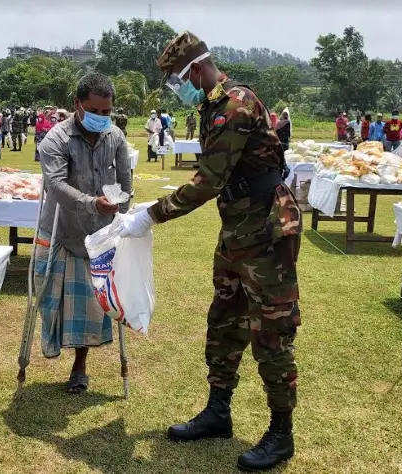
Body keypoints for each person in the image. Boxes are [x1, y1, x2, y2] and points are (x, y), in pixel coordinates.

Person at [120, 31, 300, 472]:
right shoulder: (213, 105)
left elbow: (210, 179)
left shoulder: (235, 105)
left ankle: (281, 433)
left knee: (271, 330)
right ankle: (218, 411)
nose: (177, 87)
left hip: (266, 230)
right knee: (224, 319)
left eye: (178, 78)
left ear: (197, 69)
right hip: (238, 228)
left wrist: (152, 214)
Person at [35, 72, 131, 395]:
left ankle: (80, 365)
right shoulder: (56, 140)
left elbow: (125, 182)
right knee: (53, 301)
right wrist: (92, 203)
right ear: (77, 104)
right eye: (96, 111)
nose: (103, 118)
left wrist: (124, 211)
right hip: (64, 231)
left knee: (90, 306)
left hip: (98, 236)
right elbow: (57, 186)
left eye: (108, 112)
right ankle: (53, 347)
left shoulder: (116, 137)